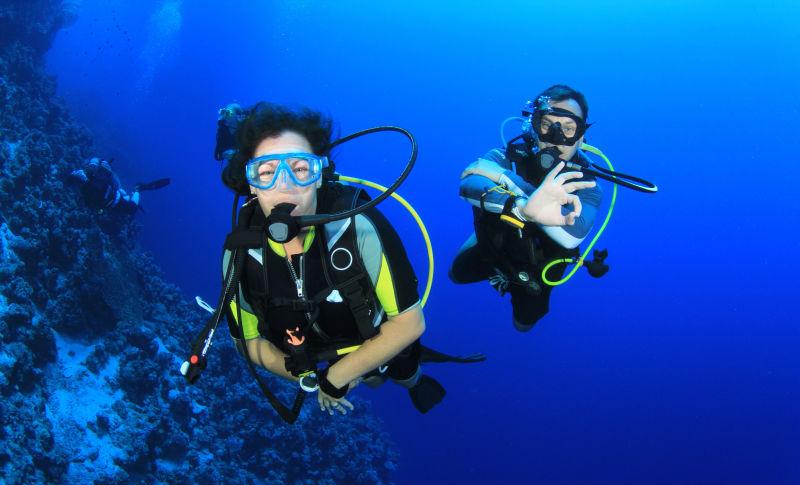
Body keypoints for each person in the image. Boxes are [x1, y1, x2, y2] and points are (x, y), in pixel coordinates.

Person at [220, 102, 448, 416]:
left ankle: (413, 380)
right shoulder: (240, 253)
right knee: (368, 374)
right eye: (266, 172)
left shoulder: (358, 228)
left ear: (319, 176)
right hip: (303, 352)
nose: (284, 183)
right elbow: (248, 342)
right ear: (251, 186)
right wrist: (311, 378)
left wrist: (340, 375)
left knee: (392, 371)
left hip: (372, 334)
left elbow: (409, 322)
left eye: (300, 169)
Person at [450, 84, 602, 332]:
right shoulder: (505, 158)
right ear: (533, 124)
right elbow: (468, 183)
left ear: (582, 136)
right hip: (491, 251)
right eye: (547, 124)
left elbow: (572, 235)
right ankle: (484, 254)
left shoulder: (587, 184)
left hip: (538, 272)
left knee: (524, 323)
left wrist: (514, 188)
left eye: (568, 128)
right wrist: (519, 207)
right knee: (456, 275)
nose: (556, 137)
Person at [68, 157, 169, 215]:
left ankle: (137, 189)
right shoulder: (87, 177)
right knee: (126, 201)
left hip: (116, 199)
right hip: (112, 198)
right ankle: (133, 191)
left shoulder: (91, 180)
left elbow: (96, 192)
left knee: (132, 208)